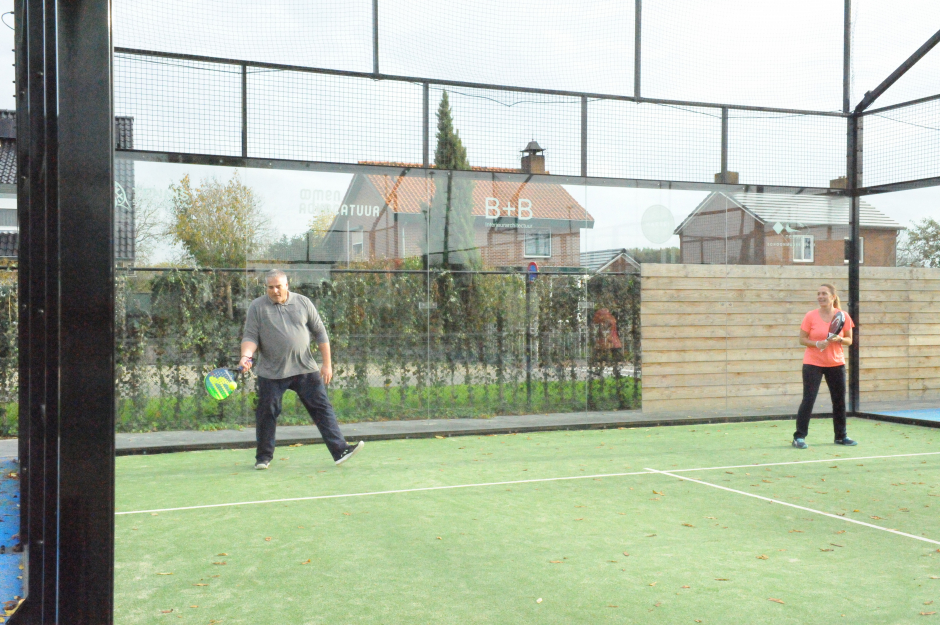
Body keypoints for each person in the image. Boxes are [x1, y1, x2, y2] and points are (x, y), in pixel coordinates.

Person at [240, 269, 364, 470]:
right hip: (271, 372)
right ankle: (263, 458)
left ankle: (340, 451)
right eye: (270, 287)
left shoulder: (303, 302)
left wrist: (327, 364)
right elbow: (250, 336)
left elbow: (320, 333)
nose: (275, 291)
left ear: (287, 285)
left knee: (322, 408)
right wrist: (246, 356)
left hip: (305, 368)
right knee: (266, 413)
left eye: (278, 286)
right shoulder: (257, 307)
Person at [793, 283, 856, 449]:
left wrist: (839, 339)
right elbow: (802, 339)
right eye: (818, 294)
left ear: (833, 297)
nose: (820, 297)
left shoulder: (843, 316)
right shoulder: (810, 316)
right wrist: (816, 343)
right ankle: (799, 437)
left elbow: (849, 340)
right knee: (808, 399)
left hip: (836, 363)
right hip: (812, 363)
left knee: (839, 401)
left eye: (824, 294)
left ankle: (841, 436)